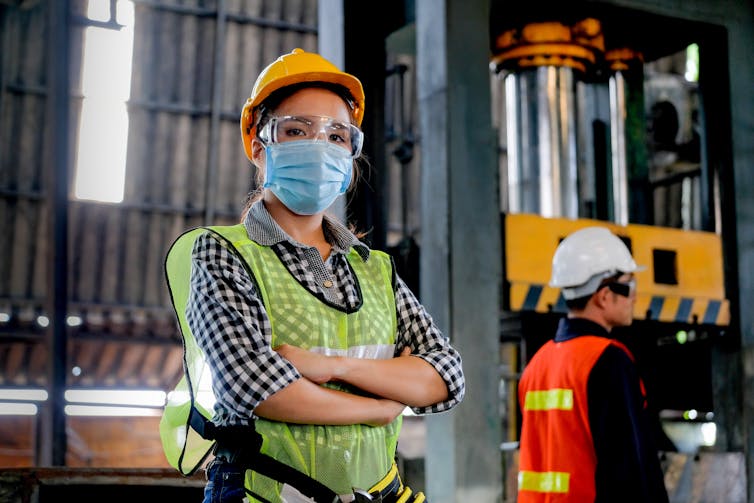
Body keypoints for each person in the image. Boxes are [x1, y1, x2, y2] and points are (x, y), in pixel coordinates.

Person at [161, 48, 465, 503]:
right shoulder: (223, 254)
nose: (320, 146)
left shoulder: (373, 268)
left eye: (337, 136)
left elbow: (446, 377)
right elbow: (259, 387)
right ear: (259, 147)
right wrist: (382, 405)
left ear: (350, 157)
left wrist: (332, 367)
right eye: (298, 130)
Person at [516, 226, 669, 503]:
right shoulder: (608, 360)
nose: (634, 296)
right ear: (604, 295)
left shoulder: (536, 365)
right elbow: (631, 470)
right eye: (629, 285)